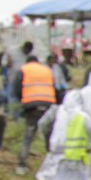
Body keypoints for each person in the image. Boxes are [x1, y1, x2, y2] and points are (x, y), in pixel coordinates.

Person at [37, 88, 91, 180]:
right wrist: (90, 146)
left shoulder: (58, 111)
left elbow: (42, 124)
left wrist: (45, 138)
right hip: (75, 154)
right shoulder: (83, 116)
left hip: (56, 152)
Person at [14, 44, 59, 173]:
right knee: (50, 135)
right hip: (48, 104)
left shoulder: (23, 69)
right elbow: (54, 87)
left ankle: (21, 165)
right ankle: (53, 165)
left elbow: (17, 89)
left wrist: (23, 101)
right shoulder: (47, 70)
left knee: (28, 135)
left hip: (31, 106)